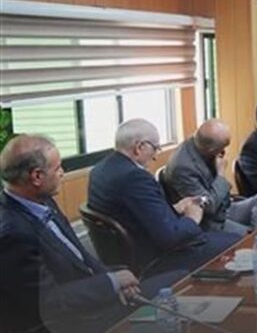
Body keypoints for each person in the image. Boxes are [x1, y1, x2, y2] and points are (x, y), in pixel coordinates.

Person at [0, 135, 183, 332]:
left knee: (179, 281)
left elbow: (82, 257)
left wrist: (114, 281)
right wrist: (111, 283)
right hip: (75, 320)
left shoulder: (42, 200)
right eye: (58, 168)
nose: (62, 173)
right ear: (37, 176)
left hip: (94, 294)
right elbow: (50, 303)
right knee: (180, 287)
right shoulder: (13, 233)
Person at [88, 119, 239, 275]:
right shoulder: (135, 178)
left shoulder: (100, 169)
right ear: (140, 147)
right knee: (237, 242)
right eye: (155, 148)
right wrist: (192, 218)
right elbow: (171, 237)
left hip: (126, 255)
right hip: (155, 258)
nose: (155, 156)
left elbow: (133, 214)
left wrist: (174, 208)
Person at [162, 119, 257, 235]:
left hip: (225, 208)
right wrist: (221, 174)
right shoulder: (182, 168)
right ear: (211, 150)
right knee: (254, 233)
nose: (223, 151)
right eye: (222, 148)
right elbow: (209, 207)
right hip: (211, 222)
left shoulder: (200, 143)